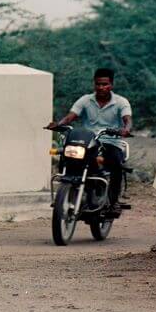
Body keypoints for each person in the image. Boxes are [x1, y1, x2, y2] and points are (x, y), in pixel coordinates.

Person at [54, 67, 133, 209]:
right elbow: (70, 116)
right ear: (94, 84)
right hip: (89, 141)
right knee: (67, 154)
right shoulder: (85, 100)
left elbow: (127, 119)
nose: (101, 87)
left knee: (116, 162)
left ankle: (113, 201)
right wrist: (58, 124)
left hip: (110, 142)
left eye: (105, 84)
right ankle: (66, 186)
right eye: (98, 84)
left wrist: (126, 130)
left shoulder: (121, 102)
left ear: (111, 85)